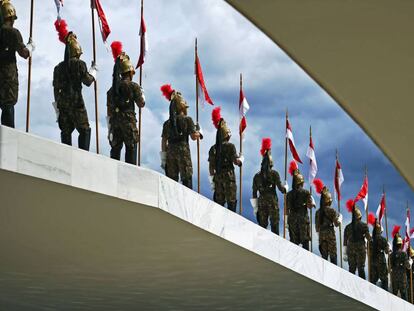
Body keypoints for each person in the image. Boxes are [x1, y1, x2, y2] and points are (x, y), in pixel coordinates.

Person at [53, 19, 96, 151]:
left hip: (62, 105)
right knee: (84, 129)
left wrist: (57, 106)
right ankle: (83, 156)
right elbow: (87, 81)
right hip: (76, 104)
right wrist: (93, 72)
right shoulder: (79, 64)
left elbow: (55, 88)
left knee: (66, 131)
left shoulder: (58, 68)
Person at [107, 41, 145, 165]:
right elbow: (141, 104)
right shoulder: (134, 86)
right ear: (129, 72)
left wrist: (110, 127)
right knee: (131, 148)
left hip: (114, 123)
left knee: (115, 150)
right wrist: (141, 93)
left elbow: (109, 111)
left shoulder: (111, 90)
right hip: (129, 122)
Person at [160, 84, 201, 189]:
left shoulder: (167, 123)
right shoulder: (188, 120)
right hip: (183, 153)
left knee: (171, 182)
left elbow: (164, 142)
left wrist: (163, 158)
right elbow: (193, 136)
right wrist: (198, 132)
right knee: (186, 179)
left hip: (170, 153)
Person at [0, 0, 33, 128]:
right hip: (8, 77)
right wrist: (30, 48)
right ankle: (8, 137)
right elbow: (24, 53)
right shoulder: (13, 32)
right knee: (8, 105)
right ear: (12, 17)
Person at [208, 107, 243, 212]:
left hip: (217, 177)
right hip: (229, 176)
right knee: (231, 203)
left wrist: (212, 182)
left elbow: (211, 168)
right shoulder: (230, 146)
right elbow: (236, 162)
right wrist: (241, 159)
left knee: (219, 205)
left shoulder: (213, 148)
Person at [251, 138, 287, 234]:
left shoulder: (256, 176)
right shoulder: (274, 174)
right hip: (272, 202)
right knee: (275, 226)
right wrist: (285, 188)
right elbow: (281, 189)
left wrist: (255, 208)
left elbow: (254, 193)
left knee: (262, 227)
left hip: (261, 202)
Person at [286, 160, 314, 250]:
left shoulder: (289, 194)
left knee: (294, 244)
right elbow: (310, 206)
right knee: (305, 243)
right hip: (303, 219)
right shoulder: (306, 192)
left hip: (292, 220)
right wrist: (311, 202)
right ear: (301, 182)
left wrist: (286, 221)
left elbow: (286, 209)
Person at [314, 178, 342, 265]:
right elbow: (336, 224)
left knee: (324, 258)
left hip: (321, 236)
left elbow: (317, 228)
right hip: (330, 234)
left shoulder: (318, 212)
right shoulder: (331, 210)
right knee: (333, 257)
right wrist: (340, 218)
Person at [343, 200, 371, 279]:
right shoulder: (364, 225)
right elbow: (368, 238)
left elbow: (345, 241)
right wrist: (369, 237)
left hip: (350, 248)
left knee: (351, 269)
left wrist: (344, 253)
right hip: (360, 248)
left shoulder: (347, 227)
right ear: (360, 216)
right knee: (361, 268)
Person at [368, 214, 390, 290]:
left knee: (373, 280)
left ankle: (371, 293)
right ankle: (386, 293)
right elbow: (387, 252)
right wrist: (388, 247)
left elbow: (368, 251)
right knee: (384, 279)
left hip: (372, 261)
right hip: (381, 261)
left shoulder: (370, 240)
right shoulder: (383, 239)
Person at [390, 234, 411, 301]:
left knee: (394, 295)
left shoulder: (392, 255)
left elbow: (389, 266)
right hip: (402, 277)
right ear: (401, 245)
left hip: (394, 277)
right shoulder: (403, 254)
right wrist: (410, 263)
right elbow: (408, 266)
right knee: (404, 295)